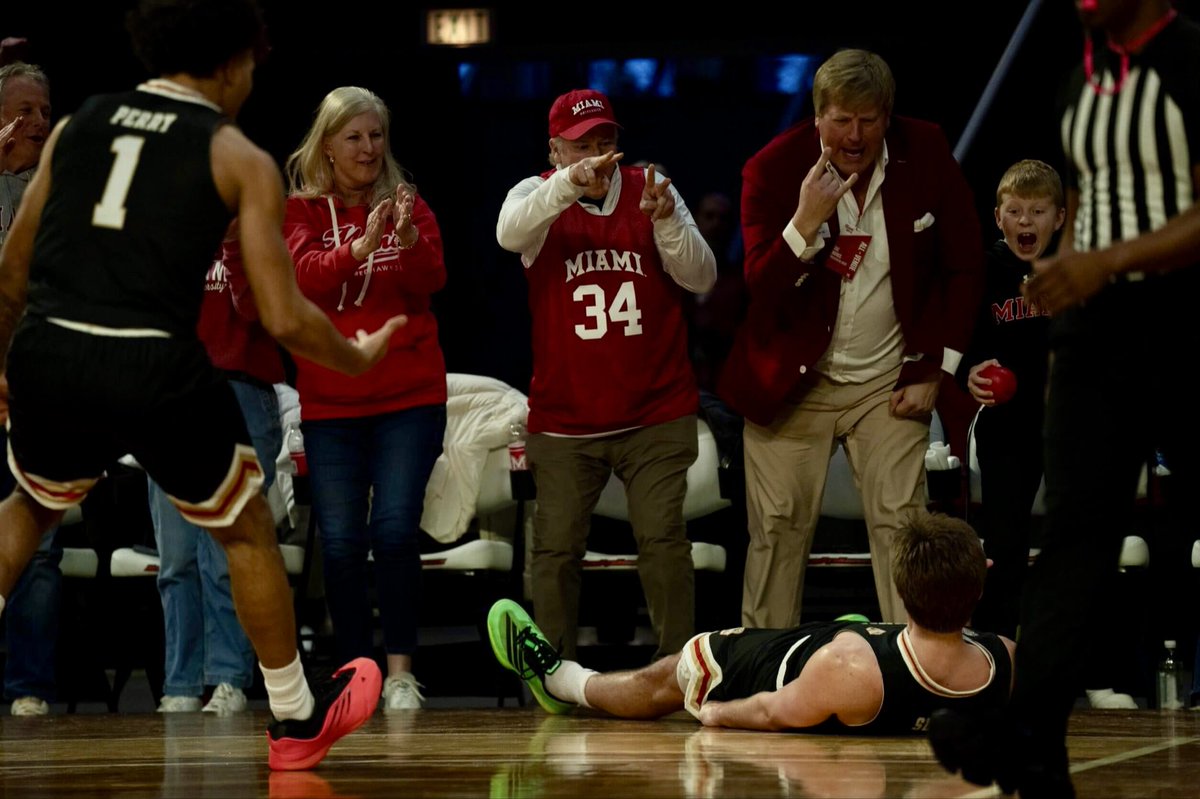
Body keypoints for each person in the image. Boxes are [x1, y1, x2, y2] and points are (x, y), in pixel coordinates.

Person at [0, 0, 405, 770]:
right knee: (245, 525)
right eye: (251, 64)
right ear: (227, 63)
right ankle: (293, 719)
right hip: (153, 361)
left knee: (29, 506)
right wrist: (355, 354)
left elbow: (11, 273)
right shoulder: (236, 154)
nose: (251, 79)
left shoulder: (76, 124)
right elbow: (284, 316)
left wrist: (1, 364)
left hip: (53, 348)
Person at [929, 1, 1200, 796]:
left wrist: (1104, 262)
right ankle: (1031, 734)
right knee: (1075, 536)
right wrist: (1075, 265)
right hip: (1093, 331)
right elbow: (1091, 191)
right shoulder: (1080, 72)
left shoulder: (1187, 60)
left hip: (1181, 324)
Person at [718, 49, 984, 628]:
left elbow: (964, 265)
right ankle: (763, 676)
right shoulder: (771, 170)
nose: (855, 135)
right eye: (841, 119)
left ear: (888, 116)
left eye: (868, 119)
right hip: (791, 385)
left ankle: (913, 671)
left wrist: (937, 370)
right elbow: (761, 289)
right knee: (778, 530)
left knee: (902, 523)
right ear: (817, 117)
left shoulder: (927, 150)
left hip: (886, 383)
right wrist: (806, 221)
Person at [495, 88, 717, 661]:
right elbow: (508, 234)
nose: (596, 157)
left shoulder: (653, 188)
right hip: (567, 420)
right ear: (555, 151)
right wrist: (568, 184)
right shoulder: (533, 196)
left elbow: (701, 278)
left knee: (663, 538)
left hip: (655, 410)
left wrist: (667, 222)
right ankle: (553, 671)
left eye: (605, 143)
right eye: (580, 147)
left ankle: (677, 669)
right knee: (555, 550)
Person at [488, 512, 1015, 734]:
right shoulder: (1007, 661)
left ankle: (563, 681)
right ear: (981, 586)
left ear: (901, 588)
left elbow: (768, 713)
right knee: (848, 635)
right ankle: (849, 625)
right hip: (855, 664)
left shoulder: (848, 664)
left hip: (782, 669)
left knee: (667, 676)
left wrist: (716, 714)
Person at [283, 85, 448, 711]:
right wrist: (356, 247)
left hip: (408, 395)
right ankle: (357, 673)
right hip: (331, 402)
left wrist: (402, 240)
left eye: (376, 135)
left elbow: (433, 280)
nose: (368, 148)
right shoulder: (298, 214)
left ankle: (401, 670)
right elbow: (302, 281)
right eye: (354, 137)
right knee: (343, 544)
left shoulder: (408, 206)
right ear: (327, 145)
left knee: (396, 531)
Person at [150, 222, 286, 715]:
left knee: (226, 549)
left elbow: (261, 313)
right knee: (178, 557)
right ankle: (182, 683)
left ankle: (228, 676)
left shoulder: (255, 227)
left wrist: (231, 241)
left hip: (239, 392)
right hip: (169, 397)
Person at [959, 159, 1064, 641]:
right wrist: (968, 374)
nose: (1026, 222)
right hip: (1007, 429)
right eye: (1015, 211)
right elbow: (957, 342)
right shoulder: (982, 271)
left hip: (1068, 425)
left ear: (1059, 218)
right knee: (1005, 544)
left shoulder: (1075, 270)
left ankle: (1094, 669)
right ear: (997, 218)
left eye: (1038, 211)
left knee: (1076, 546)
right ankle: (996, 652)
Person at [0, 60, 60, 717]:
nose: (37, 122)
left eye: (43, 111)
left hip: (40, 384)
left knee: (39, 543)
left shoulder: (62, 182)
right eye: (23, 110)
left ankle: (31, 687)